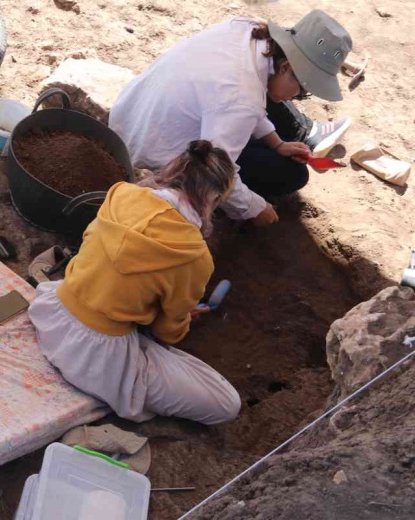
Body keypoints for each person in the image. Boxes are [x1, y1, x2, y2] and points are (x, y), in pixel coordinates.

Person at [28, 140, 241, 425]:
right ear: (213, 198)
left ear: (176, 168)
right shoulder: (194, 255)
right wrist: (179, 317)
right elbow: (169, 333)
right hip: (97, 358)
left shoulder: (122, 194)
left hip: (52, 313)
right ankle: (134, 361)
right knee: (226, 403)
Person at [109, 10, 353, 228]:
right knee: (293, 175)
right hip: (151, 154)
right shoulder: (241, 100)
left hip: (130, 117)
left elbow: (242, 103)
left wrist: (276, 142)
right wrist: (255, 208)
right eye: (303, 90)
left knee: (268, 126)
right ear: (286, 67)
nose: (298, 96)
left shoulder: (245, 29)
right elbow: (214, 168)